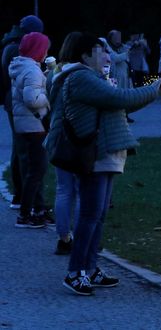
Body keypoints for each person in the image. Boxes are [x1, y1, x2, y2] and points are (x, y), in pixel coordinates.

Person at [43, 33, 161, 295]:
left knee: (99, 215)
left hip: (107, 153)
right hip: (94, 154)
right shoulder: (80, 77)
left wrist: (152, 92)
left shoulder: (94, 78)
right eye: (101, 51)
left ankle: (91, 267)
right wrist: (154, 88)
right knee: (89, 215)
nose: (108, 56)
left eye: (108, 51)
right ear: (85, 55)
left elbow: (120, 106)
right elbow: (120, 99)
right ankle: (75, 271)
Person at [8, 32, 51, 228]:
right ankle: (25, 215)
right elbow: (32, 99)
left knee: (34, 169)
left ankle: (38, 209)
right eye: (45, 49)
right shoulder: (32, 70)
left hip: (25, 124)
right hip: (34, 125)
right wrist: (47, 95)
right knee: (37, 170)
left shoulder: (21, 66)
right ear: (38, 50)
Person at [1, 15, 44, 209]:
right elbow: (23, 80)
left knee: (20, 150)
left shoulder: (11, 45)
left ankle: (21, 195)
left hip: (13, 101)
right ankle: (32, 201)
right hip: (18, 103)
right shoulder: (14, 49)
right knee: (26, 152)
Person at [47, 32, 84, 254]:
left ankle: (64, 238)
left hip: (58, 134)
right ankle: (80, 236)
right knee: (80, 190)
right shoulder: (80, 74)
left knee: (63, 189)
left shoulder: (56, 72)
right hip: (76, 136)